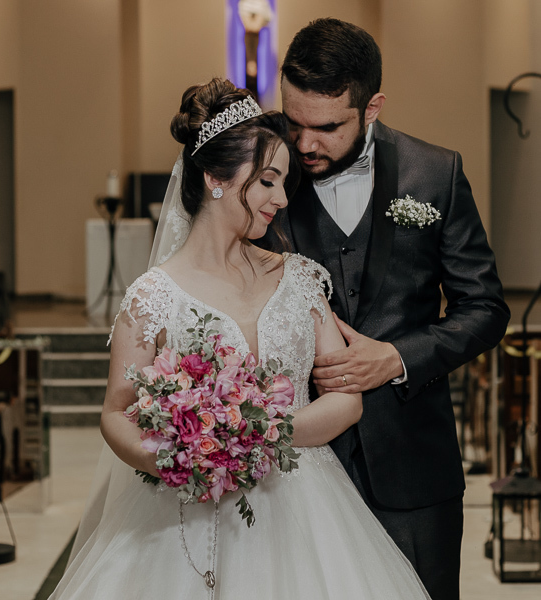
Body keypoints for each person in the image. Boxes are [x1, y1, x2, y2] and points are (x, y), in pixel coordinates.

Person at [49, 78, 430, 599]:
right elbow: (116, 412)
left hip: (306, 510)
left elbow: (346, 401)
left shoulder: (299, 278)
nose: (281, 198)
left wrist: (258, 435)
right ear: (216, 179)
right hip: (181, 515)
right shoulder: (152, 296)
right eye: (268, 181)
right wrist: (175, 456)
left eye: (284, 182)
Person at [273, 18, 510, 600]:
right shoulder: (263, 173)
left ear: (372, 106)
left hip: (413, 467)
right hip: (293, 471)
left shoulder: (436, 173)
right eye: (294, 121)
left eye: (327, 128)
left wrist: (398, 358)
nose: (304, 145)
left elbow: (484, 307)